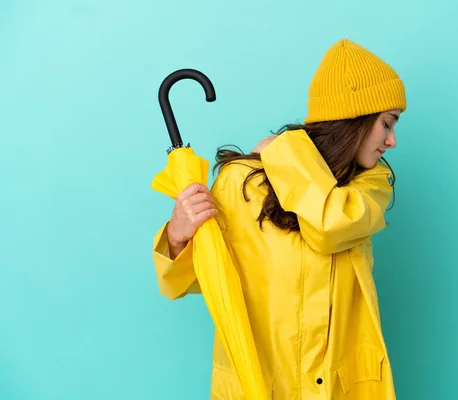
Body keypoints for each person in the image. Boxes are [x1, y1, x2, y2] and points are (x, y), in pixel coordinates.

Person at [152, 38, 407, 399]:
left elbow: (330, 226)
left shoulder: (370, 185)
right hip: (261, 380)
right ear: (357, 120)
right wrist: (178, 235)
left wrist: (284, 150)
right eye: (387, 123)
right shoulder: (242, 181)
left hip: (341, 385)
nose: (392, 140)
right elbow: (207, 275)